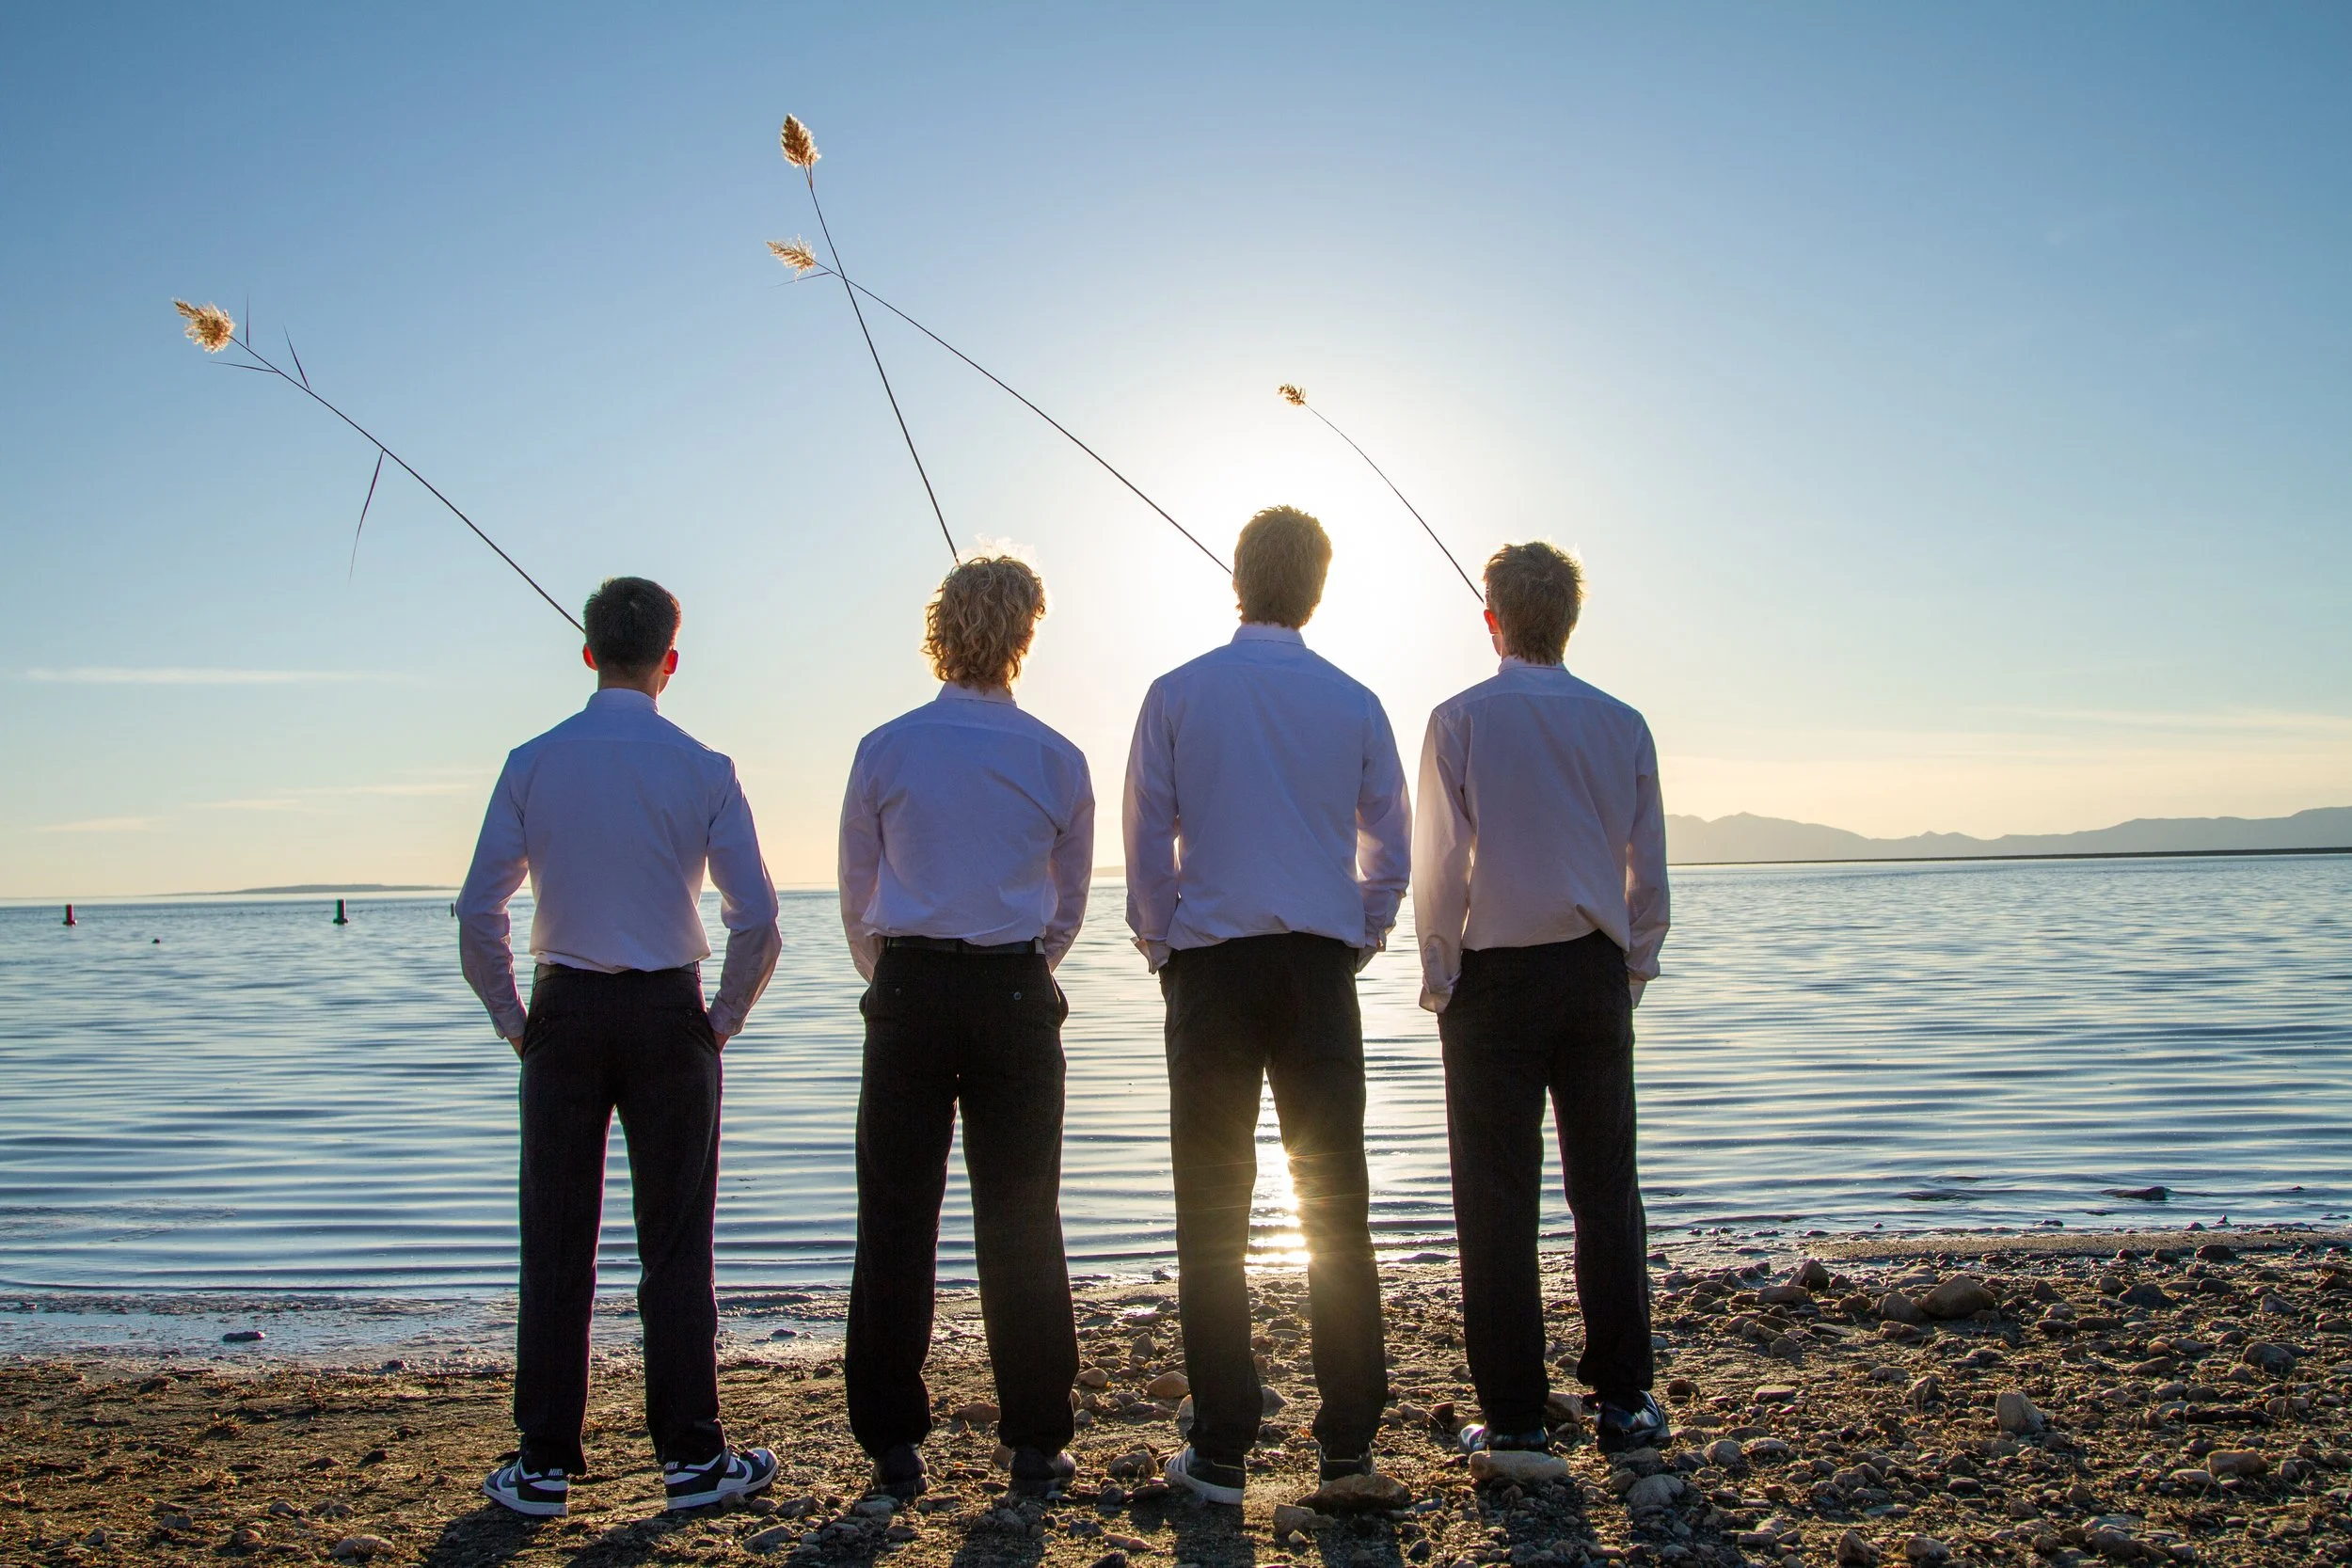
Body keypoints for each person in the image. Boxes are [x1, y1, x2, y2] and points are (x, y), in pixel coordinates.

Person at [458, 576, 783, 1516]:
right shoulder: (704, 766)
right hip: (667, 1016)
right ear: (668, 661)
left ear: (588, 650)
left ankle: (545, 1461)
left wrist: (515, 1018)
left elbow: (481, 910)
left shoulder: (533, 761)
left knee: (556, 1241)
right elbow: (756, 919)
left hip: (563, 1011)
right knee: (675, 1244)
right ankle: (690, 1455)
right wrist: (719, 1019)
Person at [1124, 505, 1411, 1505]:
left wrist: (1164, 948)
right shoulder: (1355, 700)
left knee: (1213, 1209)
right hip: (1317, 973)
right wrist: (1358, 934)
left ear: (1237, 580)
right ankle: (1346, 1445)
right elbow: (1392, 851)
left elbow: (1146, 842)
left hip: (1211, 971)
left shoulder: (1176, 692)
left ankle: (1221, 1449)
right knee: (1338, 1205)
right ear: (1317, 589)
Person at [838, 556, 1091, 1502]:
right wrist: (1017, 967)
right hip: (1014, 994)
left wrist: (901, 974)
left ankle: (894, 1444)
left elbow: (858, 897)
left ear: (940, 631)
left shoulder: (887, 746)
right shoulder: (1056, 756)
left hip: (908, 991)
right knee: (1022, 1218)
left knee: (896, 1216)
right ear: (1025, 634)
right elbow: (1065, 909)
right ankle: (1034, 1440)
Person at [1412, 541, 1671, 1457]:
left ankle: (1518, 1415)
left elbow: (1439, 864)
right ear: (1567, 620)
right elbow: (1647, 870)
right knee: (1605, 1189)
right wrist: (1630, 968)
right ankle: (1625, 1401)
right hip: (1595, 972)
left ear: (1494, 619)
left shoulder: (1458, 719)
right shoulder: (1621, 722)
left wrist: (1438, 971)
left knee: (1494, 1197)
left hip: (1494, 981)